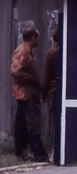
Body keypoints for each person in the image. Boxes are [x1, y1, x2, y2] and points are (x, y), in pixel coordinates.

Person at [11, 27, 47, 162]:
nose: (38, 40)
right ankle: (37, 152)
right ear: (32, 37)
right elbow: (15, 71)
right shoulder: (22, 51)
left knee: (25, 123)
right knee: (31, 123)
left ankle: (23, 151)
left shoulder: (28, 52)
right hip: (25, 93)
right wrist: (31, 79)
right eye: (37, 37)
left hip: (30, 93)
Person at [41, 25, 62, 164]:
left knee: (54, 125)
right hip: (62, 91)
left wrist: (43, 94)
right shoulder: (69, 53)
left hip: (54, 92)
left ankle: (55, 153)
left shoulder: (52, 54)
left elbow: (45, 77)